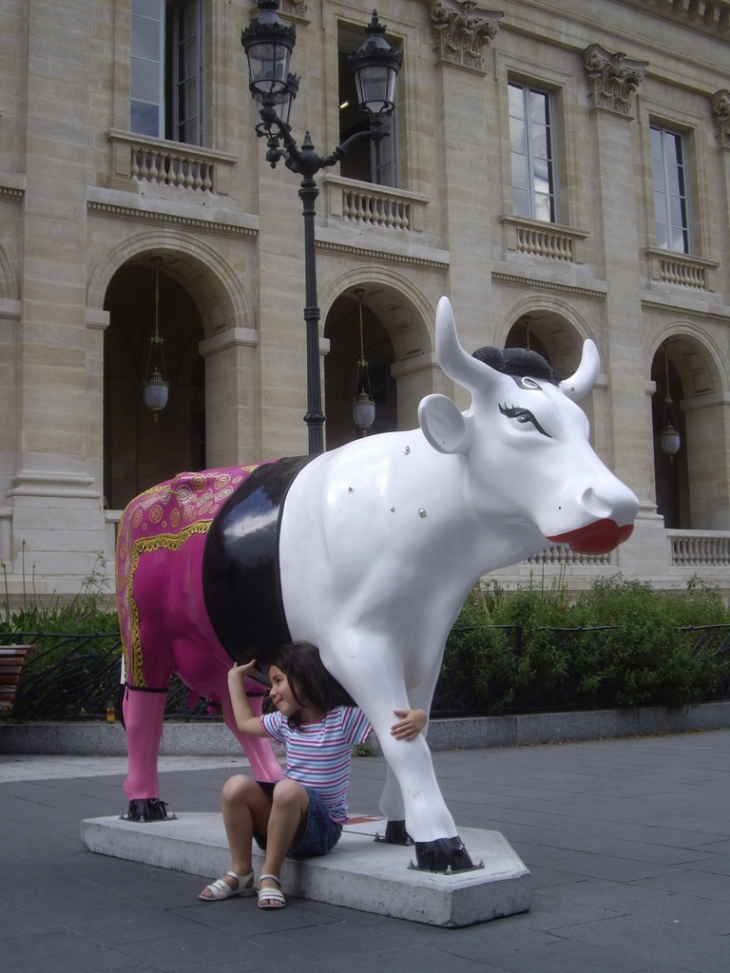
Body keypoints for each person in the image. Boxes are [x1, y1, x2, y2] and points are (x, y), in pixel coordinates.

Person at [198, 640, 428, 909]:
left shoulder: (341, 719)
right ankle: (241, 872)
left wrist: (420, 716)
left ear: (303, 678)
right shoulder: (285, 723)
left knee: (286, 788)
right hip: (286, 824)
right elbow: (246, 724)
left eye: (277, 681)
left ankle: (270, 875)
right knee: (235, 786)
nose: (272, 692)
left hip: (322, 829)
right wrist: (233, 677)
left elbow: (390, 719)